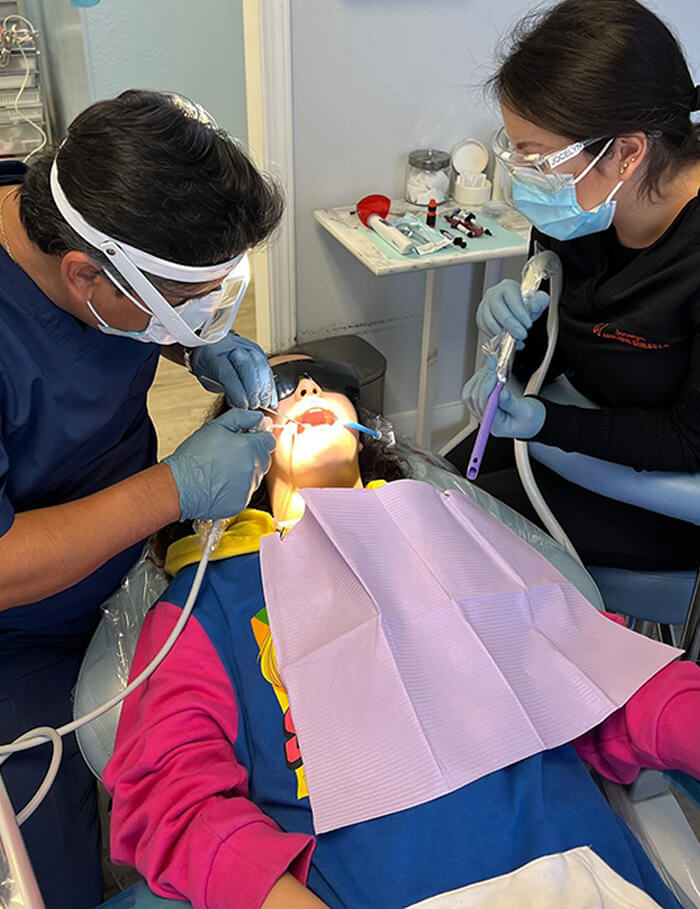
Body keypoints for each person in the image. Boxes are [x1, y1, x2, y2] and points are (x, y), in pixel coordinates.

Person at [103, 356, 699, 909]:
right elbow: (174, 800)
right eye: (278, 390)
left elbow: (612, 681)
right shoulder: (205, 605)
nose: (308, 388)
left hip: (576, 872)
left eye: (323, 378)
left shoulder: (458, 536)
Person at [0, 90, 283, 907]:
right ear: (83, 276)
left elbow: (124, 319)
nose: (200, 318)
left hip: (144, 559)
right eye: (183, 304)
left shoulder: (80, 198)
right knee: (47, 875)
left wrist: (195, 344)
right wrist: (173, 488)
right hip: (22, 629)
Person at [451, 0, 700, 571]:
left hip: (658, 491)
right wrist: (510, 341)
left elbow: (689, 441)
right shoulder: (582, 211)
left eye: (536, 156)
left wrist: (547, 423)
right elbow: (551, 350)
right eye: (516, 149)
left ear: (626, 153)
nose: (522, 174)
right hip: (573, 440)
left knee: (459, 543)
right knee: (419, 489)